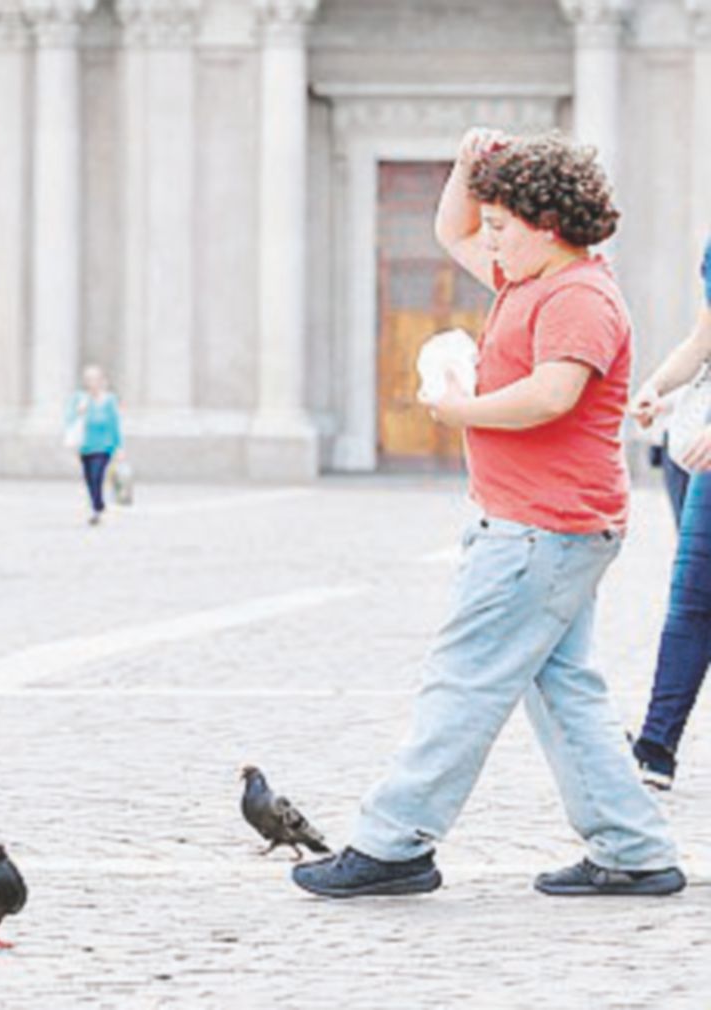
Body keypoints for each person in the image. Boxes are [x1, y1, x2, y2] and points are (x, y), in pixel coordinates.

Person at [292, 129, 684, 900]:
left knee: (463, 680)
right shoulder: (528, 277)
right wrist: (471, 167)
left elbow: (551, 395)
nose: (489, 236)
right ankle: (634, 848)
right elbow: (452, 229)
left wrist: (457, 410)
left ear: (548, 224)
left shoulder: (576, 296)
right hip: (547, 527)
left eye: (503, 222)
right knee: (561, 689)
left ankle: (393, 842)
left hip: (541, 530)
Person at [626, 236, 711, 790]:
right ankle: (655, 747)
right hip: (690, 440)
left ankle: (655, 747)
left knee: (692, 599)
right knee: (700, 601)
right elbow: (704, 341)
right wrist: (656, 386)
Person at [66, 365, 122, 525]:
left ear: (101, 380)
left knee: (97, 476)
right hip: (85, 445)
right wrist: (79, 411)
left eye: (94, 378)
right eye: (88, 379)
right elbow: (70, 420)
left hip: (104, 446)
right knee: (89, 479)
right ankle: (97, 507)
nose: (92, 382)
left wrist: (119, 447)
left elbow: (114, 424)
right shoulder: (79, 398)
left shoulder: (109, 400)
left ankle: (98, 508)